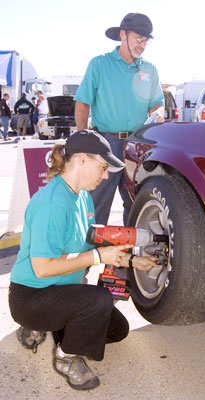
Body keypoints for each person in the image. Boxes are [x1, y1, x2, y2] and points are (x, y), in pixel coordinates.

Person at [8, 129, 159, 391]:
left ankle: (56, 325)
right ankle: (65, 356)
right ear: (81, 160)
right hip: (31, 295)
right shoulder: (52, 203)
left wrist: (131, 261)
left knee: (117, 330)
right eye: (102, 167)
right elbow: (42, 268)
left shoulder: (82, 195)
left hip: (62, 290)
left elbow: (90, 240)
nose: (105, 176)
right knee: (97, 300)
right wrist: (98, 256)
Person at [75, 13, 165, 226]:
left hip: (137, 146)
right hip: (105, 144)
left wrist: (159, 111)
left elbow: (156, 103)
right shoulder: (99, 64)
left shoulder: (149, 70)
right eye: (138, 38)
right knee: (97, 203)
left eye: (146, 40)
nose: (142, 45)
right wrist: (81, 138)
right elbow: (82, 103)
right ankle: (92, 254)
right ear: (122, 35)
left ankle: (130, 252)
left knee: (136, 202)